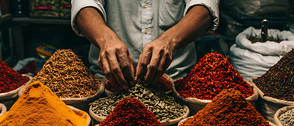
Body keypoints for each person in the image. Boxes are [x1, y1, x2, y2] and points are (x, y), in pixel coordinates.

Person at [71, 0, 219, 91]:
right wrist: (105, 40)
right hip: (110, 81)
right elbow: (84, 4)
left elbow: (205, 7)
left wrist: (170, 41)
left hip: (176, 80)